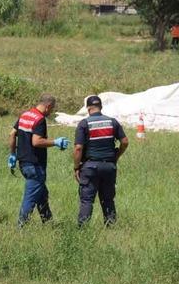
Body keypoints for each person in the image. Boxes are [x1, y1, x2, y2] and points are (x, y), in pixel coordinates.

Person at [8, 93, 69, 228]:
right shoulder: (40, 119)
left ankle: (48, 224)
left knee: (42, 194)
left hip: (23, 163)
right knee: (30, 197)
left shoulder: (25, 115)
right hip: (35, 165)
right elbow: (36, 142)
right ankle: (21, 227)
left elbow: (12, 134)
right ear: (48, 106)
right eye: (52, 109)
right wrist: (55, 142)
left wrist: (12, 154)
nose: (51, 112)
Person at [73, 95, 129, 227]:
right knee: (108, 199)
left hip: (90, 166)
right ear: (101, 107)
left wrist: (76, 167)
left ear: (88, 108)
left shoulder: (84, 123)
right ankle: (111, 227)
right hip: (109, 166)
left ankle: (83, 229)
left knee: (87, 200)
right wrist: (116, 156)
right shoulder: (112, 122)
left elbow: (78, 148)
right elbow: (125, 142)